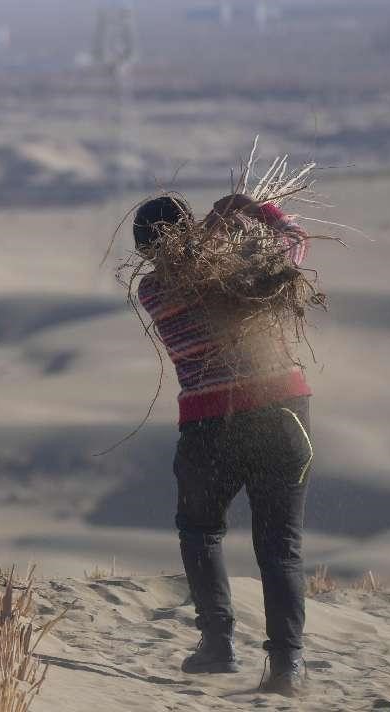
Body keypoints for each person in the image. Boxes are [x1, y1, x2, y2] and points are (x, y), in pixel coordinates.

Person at [133, 193, 312, 696]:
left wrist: (209, 232)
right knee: (280, 548)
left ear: (145, 251)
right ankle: (287, 666)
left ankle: (217, 644)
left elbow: (189, 270)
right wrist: (254, 210)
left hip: (209, 425)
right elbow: (294, 243)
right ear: (189, 231)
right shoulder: (243, 271)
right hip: (283, 414)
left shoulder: (153, 290)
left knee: (200, 531)